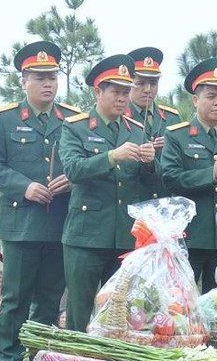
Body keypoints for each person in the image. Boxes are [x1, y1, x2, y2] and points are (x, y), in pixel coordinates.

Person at [0, 41, 72, 361]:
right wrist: (24, 186)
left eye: (52, 77)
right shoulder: (4, 119)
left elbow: (80, 163)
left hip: (59, 220)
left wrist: (71, 181)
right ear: (24, 81)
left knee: (50, 295)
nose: (48, 83)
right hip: (21, 222)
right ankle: (7, 360)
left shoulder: (71, 119)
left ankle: (40, 357)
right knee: (15, 295)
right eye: (40, 77)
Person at [60, 53, 160, 331]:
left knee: (118, 312)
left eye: (126, 92)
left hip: (123, 237)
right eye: (116, 91)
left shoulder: (136, 129)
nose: (122, 98)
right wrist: (112, 156)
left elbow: (151, 185)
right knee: (79, 310)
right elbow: (72, 169)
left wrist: (151, 163)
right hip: (86, 236)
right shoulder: (77, 127)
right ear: (97, 91)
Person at [158, 57, 217, 291]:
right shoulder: (177, 135)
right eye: (211, 96)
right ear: (195, 99)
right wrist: (212, 173)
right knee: (184, 305)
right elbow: (170, 179)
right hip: (190, 235)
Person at [123, 46, 179, 193]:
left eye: (153, 83)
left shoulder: (172, 118)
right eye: (140, 83)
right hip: (133, 199)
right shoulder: (120, 117)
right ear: (129, 83)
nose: (148, 89)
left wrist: (172, 146)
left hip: (164, 198)